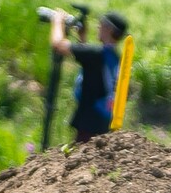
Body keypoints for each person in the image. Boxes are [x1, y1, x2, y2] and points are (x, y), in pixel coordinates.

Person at [47, 9, 130, 141]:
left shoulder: (97, 53)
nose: (98, 26)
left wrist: (57, 21)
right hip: (102, 122)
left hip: (89, 123)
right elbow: (92, 71)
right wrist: (82, 38)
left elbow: (58, 45)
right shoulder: (114, 57)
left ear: (109, 29)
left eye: (101, 23)